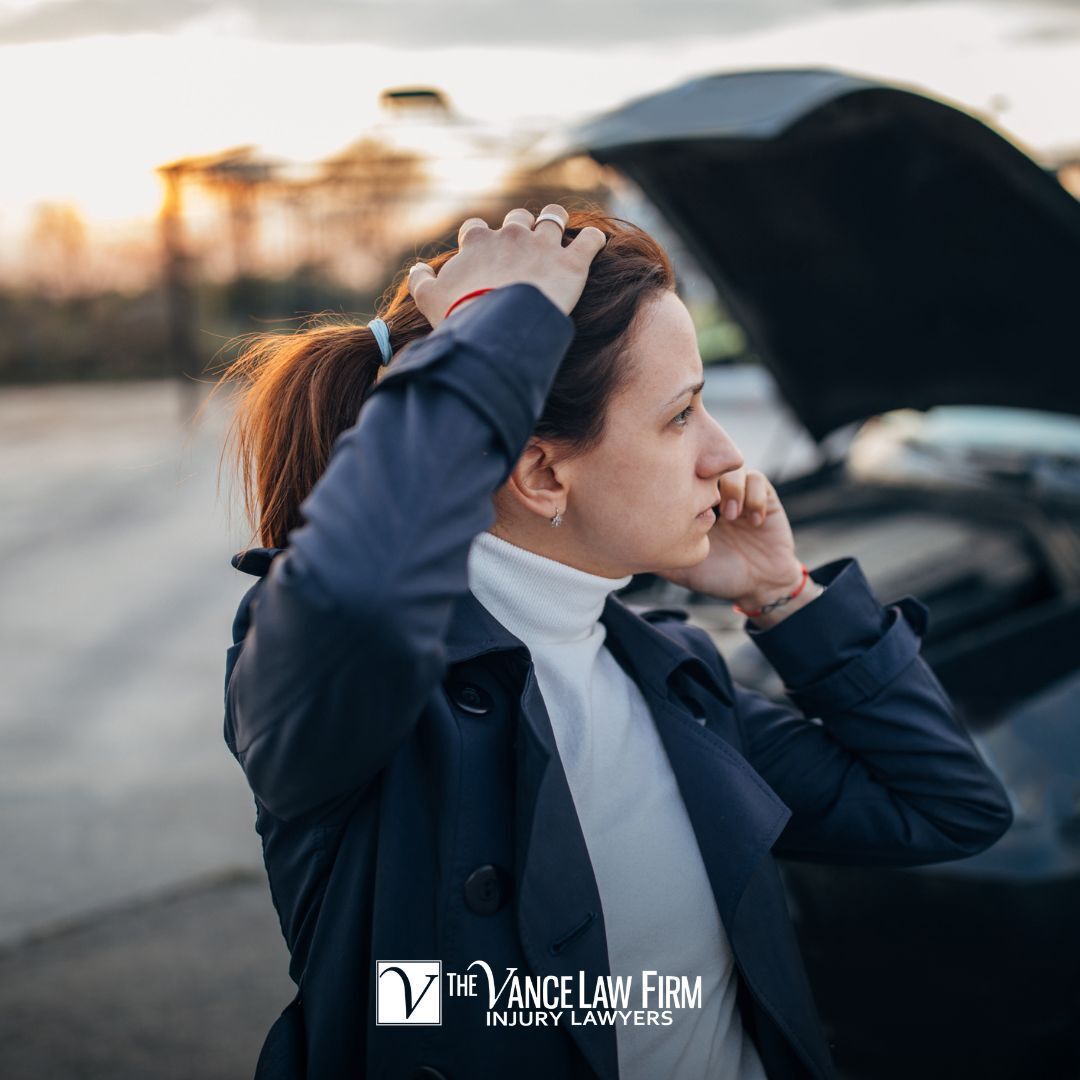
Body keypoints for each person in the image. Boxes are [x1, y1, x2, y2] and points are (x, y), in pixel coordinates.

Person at [216, 204, 1013, 1080]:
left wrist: (783, 595)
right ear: (543, 473)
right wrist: (494, 335)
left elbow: (948, 808)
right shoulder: (363, 704)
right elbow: (358, 580)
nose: (725, 454)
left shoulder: (671, 679)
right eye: (682, 416)